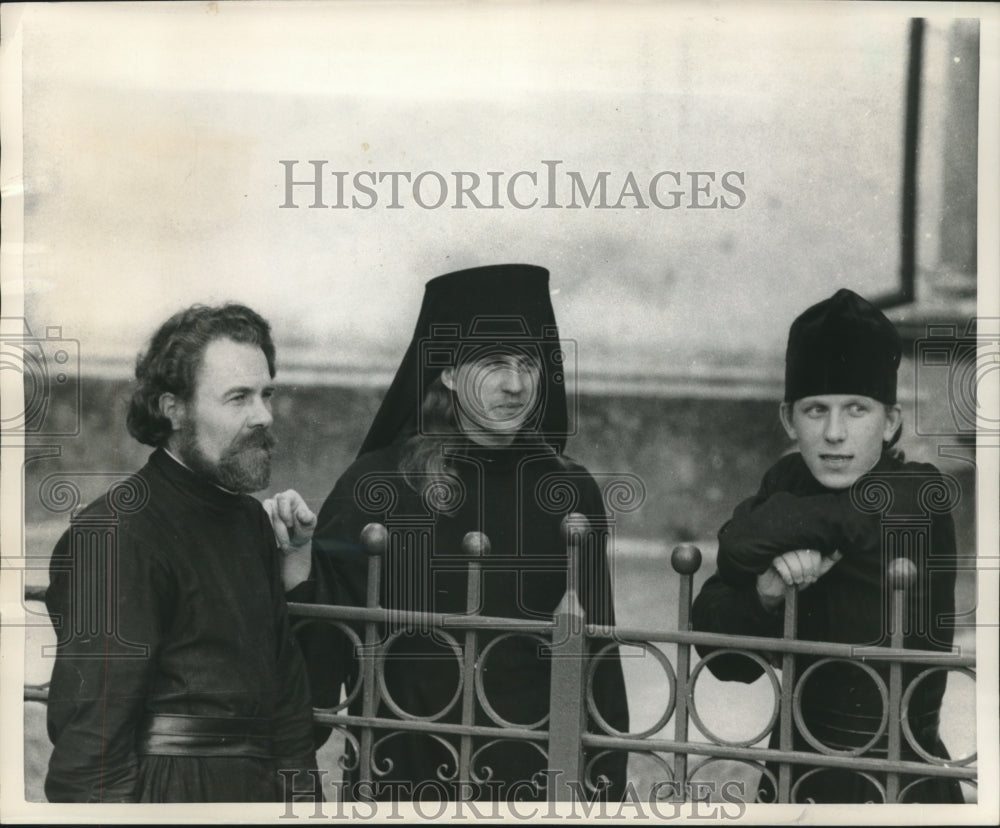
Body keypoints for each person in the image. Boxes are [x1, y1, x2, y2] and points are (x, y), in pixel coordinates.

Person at [281, 264, 629, 802]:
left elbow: (596, 660)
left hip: (532, 788)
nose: (516, 385)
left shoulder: (569, 492)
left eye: (528, 363)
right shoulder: (378, 486)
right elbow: (325, 656)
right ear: (445, 370)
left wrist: (606, 791)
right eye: (492, 364)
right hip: (406, 783)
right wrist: (300, 571)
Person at [691, 288, 962, 804]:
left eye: (856, 410)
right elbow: (725, 659)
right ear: (789, 420)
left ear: (891, 422)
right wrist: (766, 594)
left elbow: (743, 544)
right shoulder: (789, 480)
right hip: (794, 775)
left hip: (896, 786)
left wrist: (753, 532)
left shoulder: (917, 494)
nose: (834, 433)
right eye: (816, 411)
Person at [44, 303, 318, 803]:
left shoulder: (249, 521)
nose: (263, 416)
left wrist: (302, 805)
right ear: (174, 409)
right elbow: (91, 748)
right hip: (169, 796)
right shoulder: (117, 531)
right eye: (238, 398)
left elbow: (289, 705)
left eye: (266, 394)